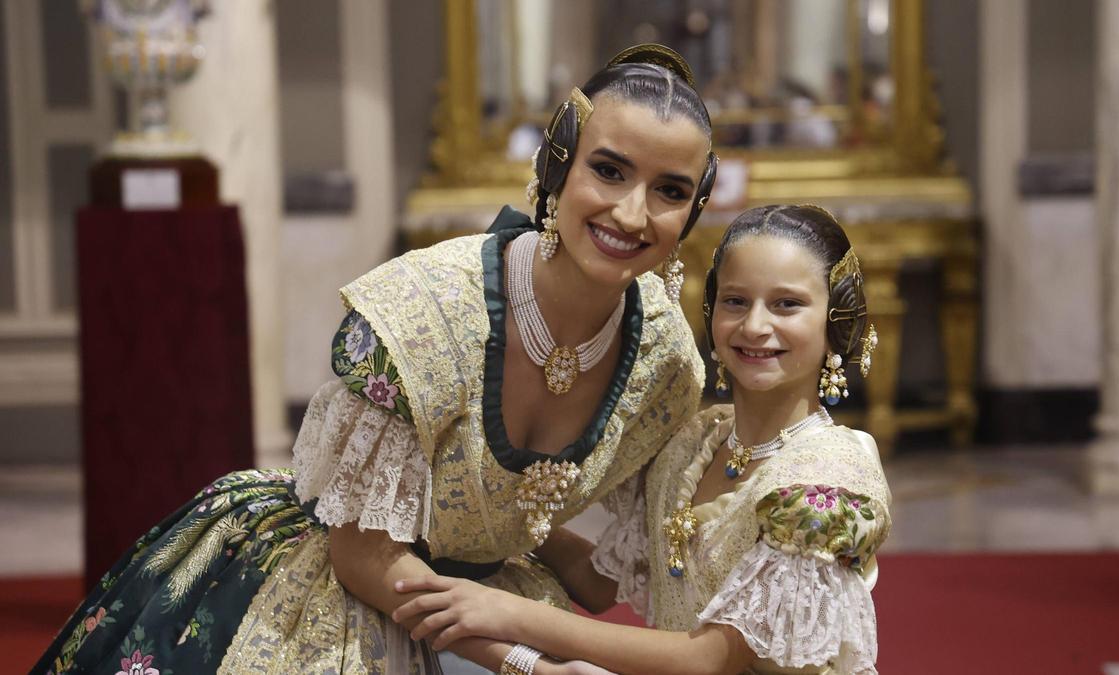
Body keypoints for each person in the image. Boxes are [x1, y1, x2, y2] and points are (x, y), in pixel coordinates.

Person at [35, 44, 718, 675]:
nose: (632, 214)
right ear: (559, 163)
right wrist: (528, 662)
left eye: (670, 190)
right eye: (609, 170)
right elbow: (363, 556)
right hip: (339, 581)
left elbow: (616, 573)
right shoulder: (423, 309)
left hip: (488, 591)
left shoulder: (667, 363)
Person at [391, 205, 892, 675]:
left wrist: (511, 615)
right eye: (736, 301)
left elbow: (713, 658)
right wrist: (476, 517)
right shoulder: (692, 442)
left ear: (836, 323)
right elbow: (599, 582)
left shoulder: (830, 480)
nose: (755, 326)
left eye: (787, 305)